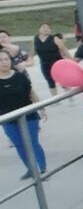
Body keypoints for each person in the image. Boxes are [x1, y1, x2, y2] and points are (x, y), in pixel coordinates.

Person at [0, 49, 46, 180]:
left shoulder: (19, 76)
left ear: (11, 61)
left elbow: (31, 92)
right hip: (8, 119)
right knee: (19, 144)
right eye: (1, 60)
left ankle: (42, 169)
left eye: (6, 59)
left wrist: (42, 107)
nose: (4, 62)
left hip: (29, 115)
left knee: (32, 142)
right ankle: (31, 169)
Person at [31, 23, 70, 98]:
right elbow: (32, 51)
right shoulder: (35, 39)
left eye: (48, 28)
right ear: (39, 30)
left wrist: (72, 60)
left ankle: (70, 97)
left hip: (57, 63)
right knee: (50, 81)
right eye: (43, 27)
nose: (45, 29)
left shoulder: (55, 38)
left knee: (62, 81)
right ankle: (55, 100)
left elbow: (64, 50)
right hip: (44, 64)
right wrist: (30, 59)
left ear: (50, 30)